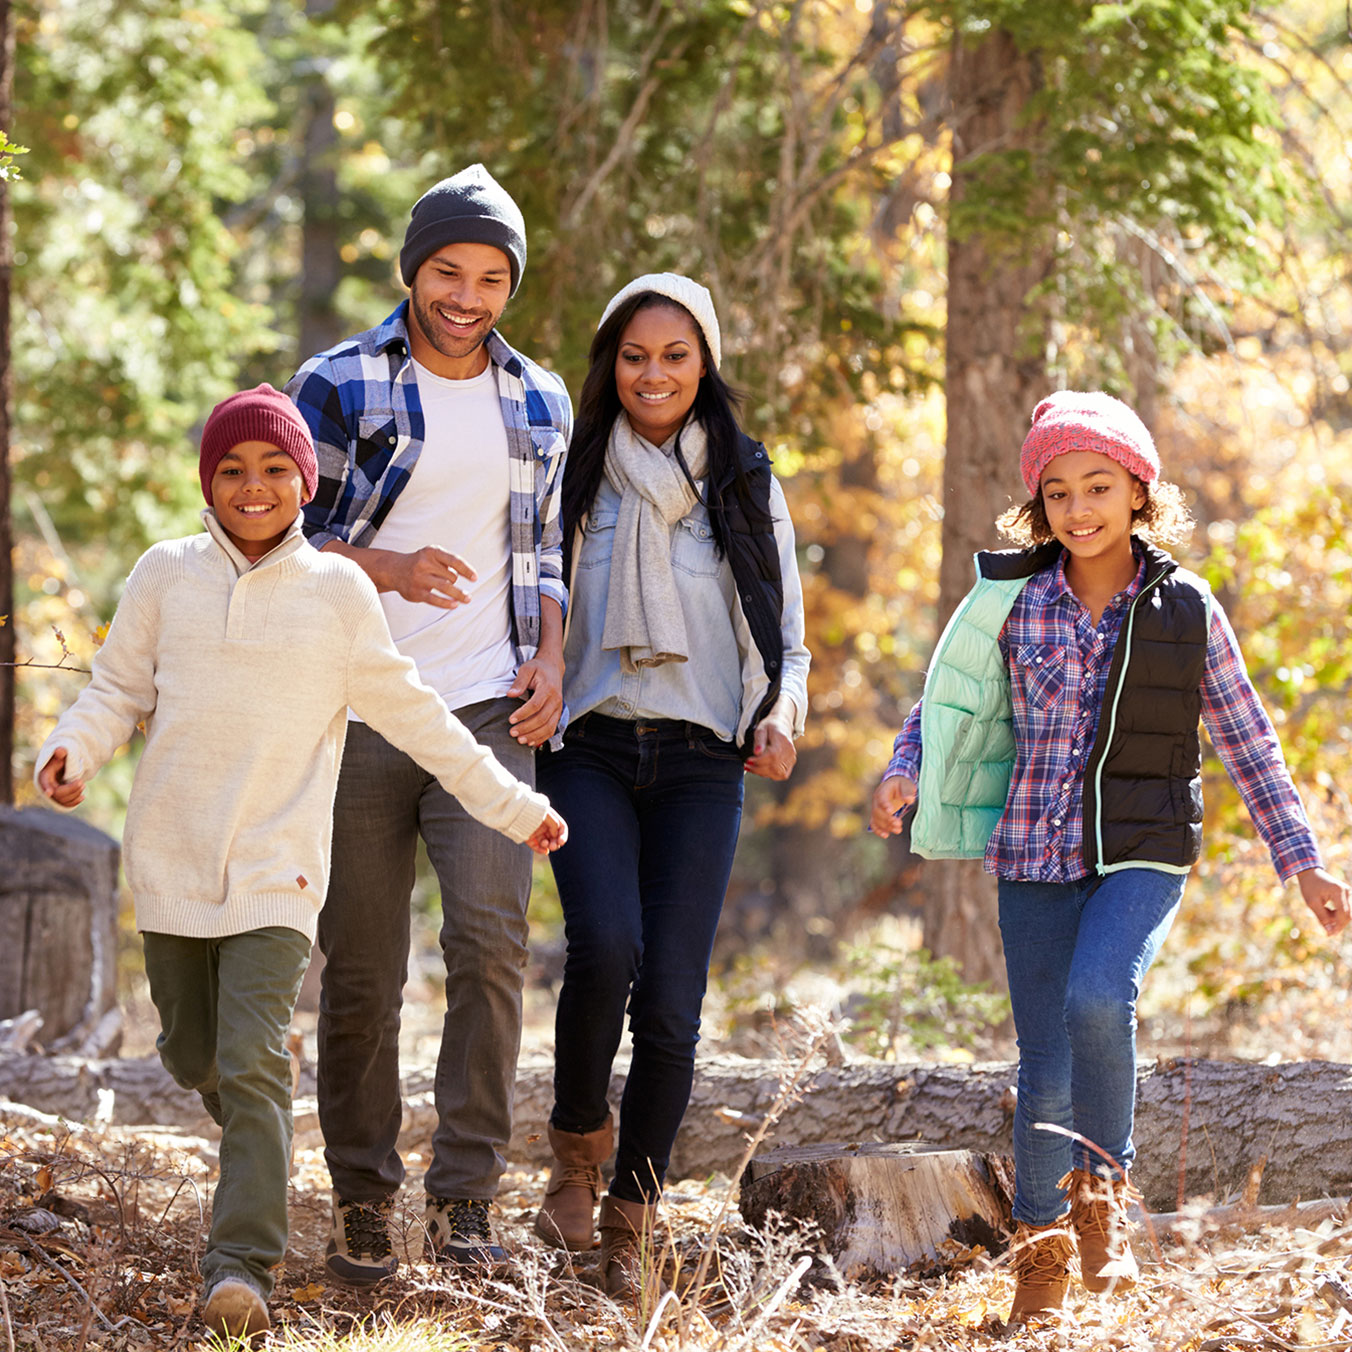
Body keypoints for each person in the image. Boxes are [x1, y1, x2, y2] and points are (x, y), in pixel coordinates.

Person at [33, 385, 567, 1338]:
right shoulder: (165, 574)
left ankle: (240, 1264)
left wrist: (513, 805)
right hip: (172, 865)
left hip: (280, 872)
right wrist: (72, 751)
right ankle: (253, 1143)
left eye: (277, 469)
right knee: (193, 1053)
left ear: (307, 481)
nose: (254, 487)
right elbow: (114, 689)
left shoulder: (337, 593)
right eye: (233, 470)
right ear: (208, 481)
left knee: (251, 1059)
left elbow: (420, 718)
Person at [869, 390, 1350, 1319]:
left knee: (1101, 996)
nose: (1079, 509)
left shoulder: (1186, 608)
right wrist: (906, 770)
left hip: (1142, 850)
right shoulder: (1010, 602)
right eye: (1058, 492)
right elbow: (946, 705)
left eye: (1099, 486)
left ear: (1139, 492)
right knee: (1043, 1060)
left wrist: (1304, 862)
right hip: (1030, 854)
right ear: (1037, 506)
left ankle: (1103, 1201)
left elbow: (1250, 740)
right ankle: (1041, 1258)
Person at [284, 164, 572, 1284]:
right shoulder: (339, 379)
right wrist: (389, 564)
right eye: (447, 271)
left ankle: (464, 1201)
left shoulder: (537, 397)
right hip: (356, 706)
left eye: (491, 277)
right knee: (360, 965)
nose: (466, 295)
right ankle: (362, 1197)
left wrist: (547, 654)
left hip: (489, 713)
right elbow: (277, 533)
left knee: (492, 950)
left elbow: (545, 551)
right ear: (413, 269)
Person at [528, 273, 810, 1298]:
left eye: (675, 356)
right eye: (636, 355)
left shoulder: (740, 474)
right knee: (604, 946)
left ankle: (631, 1212)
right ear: (612, 363)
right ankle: (572, 1151)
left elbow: (781, 627)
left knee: (676, 1005)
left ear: (705, 364)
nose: (654, 374)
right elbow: (532, 596)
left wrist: (780, 709)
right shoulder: (572, 474)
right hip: (588, 743)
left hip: (701, 757)